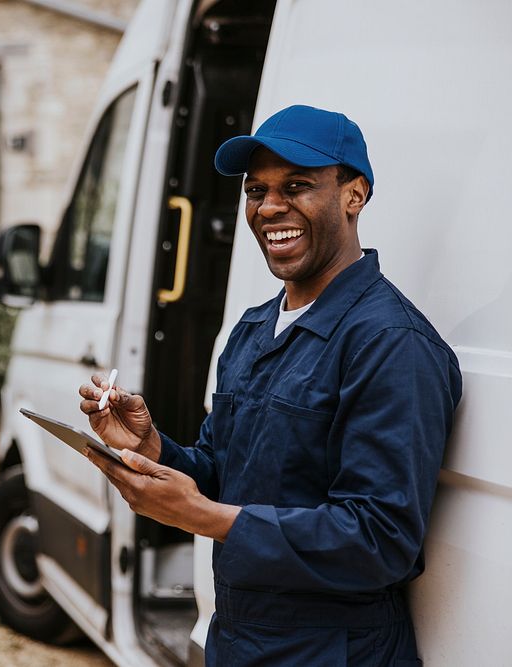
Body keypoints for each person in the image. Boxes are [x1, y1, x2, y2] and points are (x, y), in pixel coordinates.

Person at [79, 105, 462, 666]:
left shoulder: (390, 344)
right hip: (237, 639)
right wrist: (147, 446)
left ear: (355, 195)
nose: (270, 206)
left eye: (298, 185)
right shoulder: (254, 328)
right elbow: (220, 471)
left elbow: (381, 540)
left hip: (332, 649)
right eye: (256, 189)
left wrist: (201, 517)